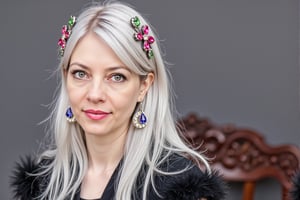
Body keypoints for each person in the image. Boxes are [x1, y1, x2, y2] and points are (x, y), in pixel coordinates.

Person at [11, 1, 226, 199]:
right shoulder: (42, 181)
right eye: (80, 74)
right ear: (65, 76)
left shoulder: (179, 187)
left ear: (144, 86)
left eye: (116, 77)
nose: (95, 94)